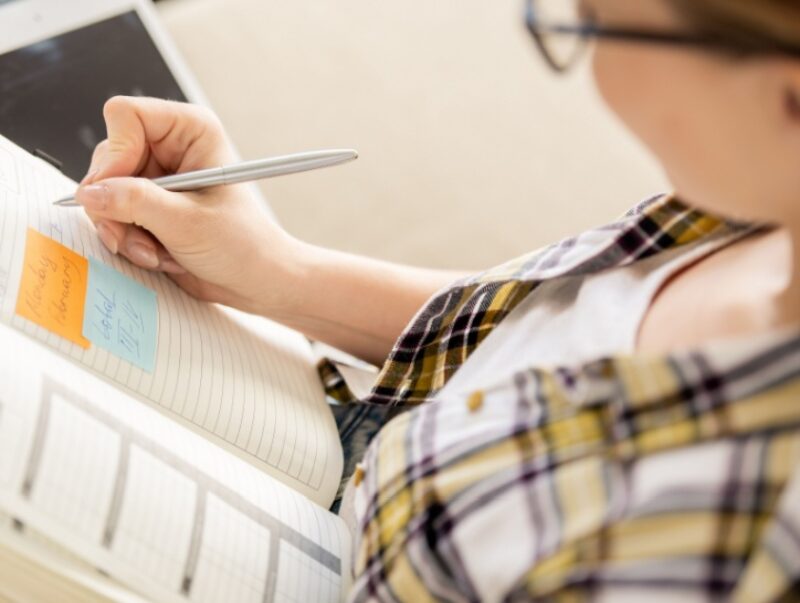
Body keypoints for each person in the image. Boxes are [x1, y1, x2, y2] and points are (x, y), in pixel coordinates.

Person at [73, 0, 800, 600]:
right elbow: (541, 338)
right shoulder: (752, 208)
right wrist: (276, 270)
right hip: (322, 453)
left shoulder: (752, 548)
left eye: (589, 23)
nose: (594, 72)